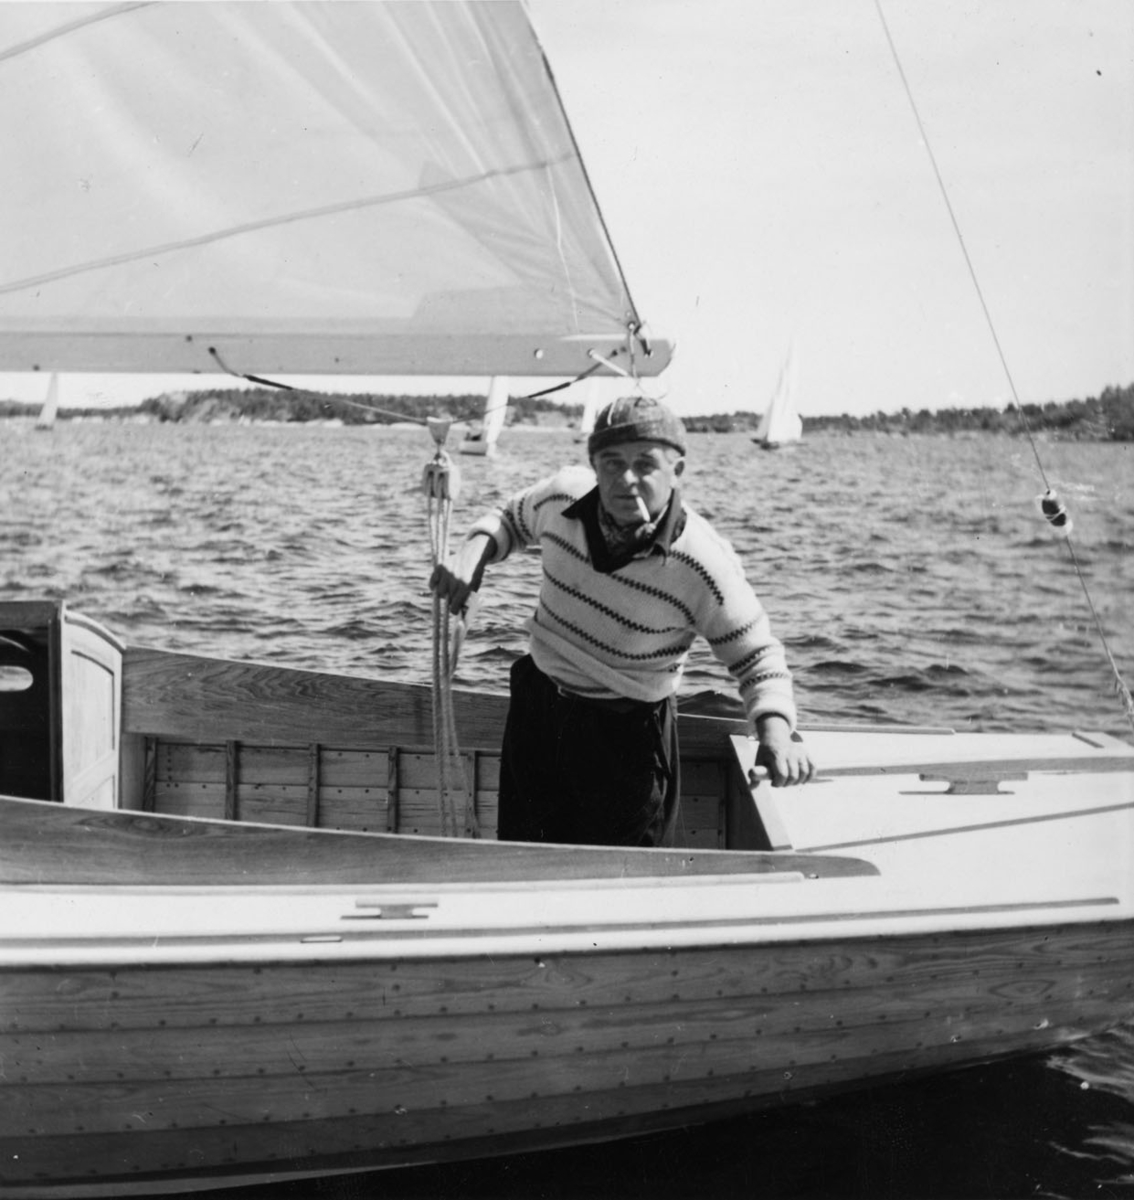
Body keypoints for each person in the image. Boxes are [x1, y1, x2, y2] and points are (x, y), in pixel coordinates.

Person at [429, 394, 814, 847]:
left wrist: (775, 734)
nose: (626, 479)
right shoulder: (562, 497)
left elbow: (757, 657)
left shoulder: (703, 562)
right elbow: (510, 519)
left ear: (678, 471)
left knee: (621, 886)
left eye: (645, 464)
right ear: (593, 466)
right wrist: (474, 551)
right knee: (523, 859)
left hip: (625, 737)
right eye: (611, 463)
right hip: (537, 711)